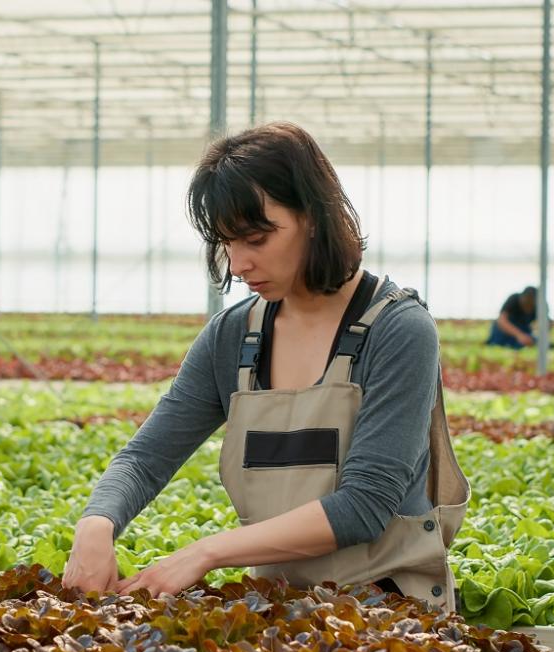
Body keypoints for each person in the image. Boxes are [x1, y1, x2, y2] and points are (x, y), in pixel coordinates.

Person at [63, 122, 469, 611]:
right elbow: (145, 459)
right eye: (226, 243)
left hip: (390, 611)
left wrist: (205, 553)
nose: (237, 265)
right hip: (280, 609)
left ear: (313, 216)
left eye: (255, 239)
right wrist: (96, 524)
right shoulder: (233, 336)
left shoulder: (398, 331)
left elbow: (364, 505)